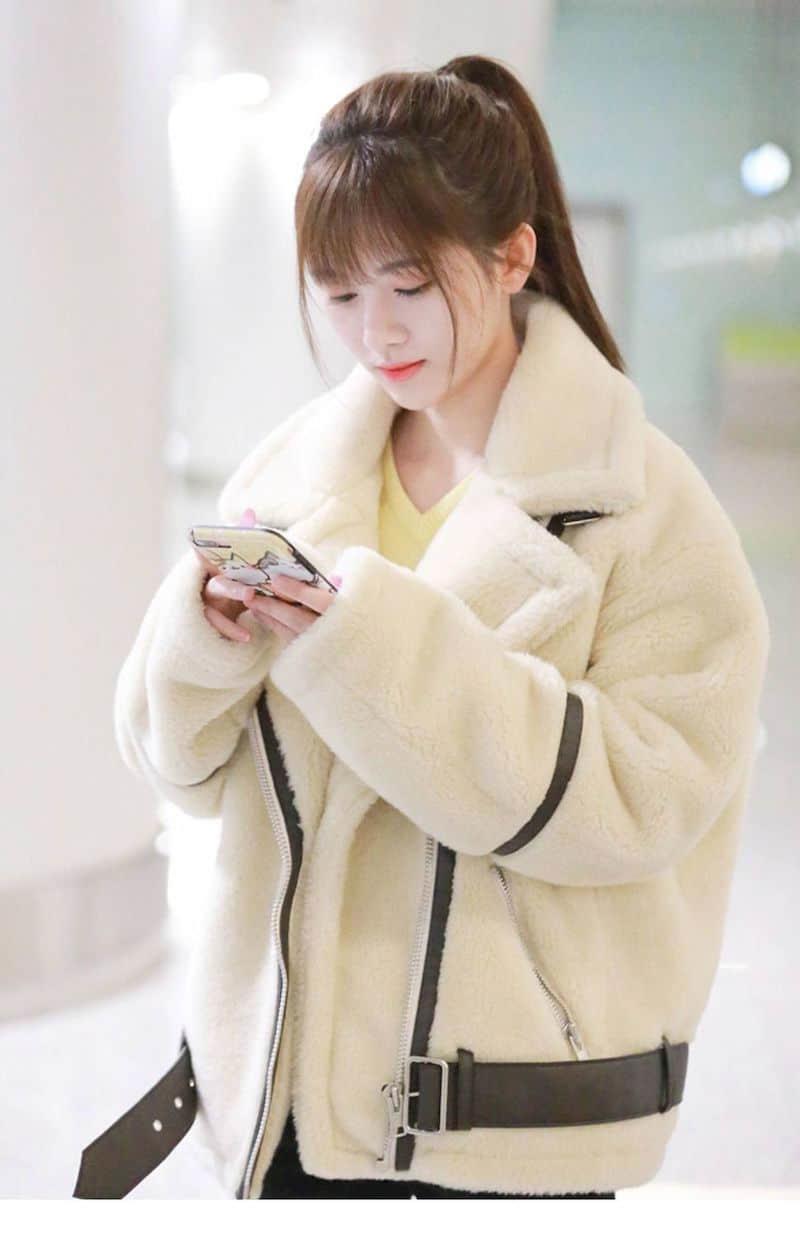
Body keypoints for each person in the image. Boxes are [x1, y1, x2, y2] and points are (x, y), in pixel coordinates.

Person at [75, 54, 769, 1202]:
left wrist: (363, 650)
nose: (375, 332)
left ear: (511, 255)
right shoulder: (293, 476)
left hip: (498, 1116)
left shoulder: (643, 504)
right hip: (289, 1101)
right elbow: (179, 773)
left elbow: (644, 798)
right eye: (339, 294)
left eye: (407, 283)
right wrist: (205, 636)